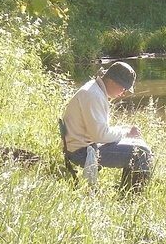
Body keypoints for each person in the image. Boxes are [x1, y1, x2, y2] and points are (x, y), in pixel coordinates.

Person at [63, 61, 152, 192]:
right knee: (141, 152)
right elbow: (99, 135)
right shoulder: (94, 96)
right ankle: (132, 199)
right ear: (113, 82)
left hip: (83, 146)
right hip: (81, 152)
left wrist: (122, 130)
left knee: (138, 145)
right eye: (124, 88)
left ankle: (127, 193)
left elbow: (98, 132)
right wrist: (125, 132)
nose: (124, 93)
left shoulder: (95, 90)